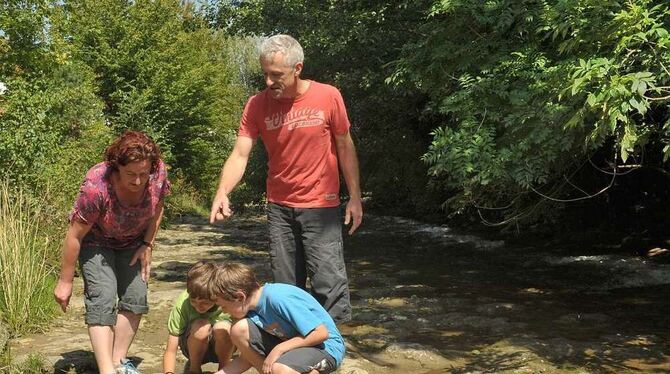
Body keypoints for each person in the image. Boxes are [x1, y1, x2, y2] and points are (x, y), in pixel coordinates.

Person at [209, 34, 362, 324]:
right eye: (265, 74)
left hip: (322, 205)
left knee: (328, 283)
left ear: (298, 68)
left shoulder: (328, 96)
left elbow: (344, 145)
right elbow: (241, 153)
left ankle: (331, 347)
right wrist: (222, 191)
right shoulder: (256, 105)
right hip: (279, 207)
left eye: (276, 74)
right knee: (285, 285)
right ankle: (296, 344)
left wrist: (354, 197)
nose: (269, 81)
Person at [53, 130, 171, 374]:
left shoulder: (158, 174)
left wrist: (147, 244)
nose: (138, 181)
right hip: (96, 242)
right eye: (131, 174)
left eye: (143, 174)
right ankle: (106, 369)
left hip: (133, 242)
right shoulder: (97, 187)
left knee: (136, 297)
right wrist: (65, 281)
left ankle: (118, 362)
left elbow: (158, 207)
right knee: (103, 298)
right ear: (117, 167)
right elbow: (74, 236)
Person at [211, 262, 345, 374]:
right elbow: (246, 359)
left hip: (325, 348)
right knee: (238, 329)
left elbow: (321, 333)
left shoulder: (278, 298)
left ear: (240, 297)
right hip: (293, 346)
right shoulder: (250, 310)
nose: (225, 311)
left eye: (224, 306)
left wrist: (279, 349)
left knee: (280, 368)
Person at [163, 261, 233, 374]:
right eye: (193, 301)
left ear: (216, 295)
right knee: (201, 325)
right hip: (192, 345)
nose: (198, 307)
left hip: (225, 345)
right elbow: (171, 348)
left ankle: (224, 368)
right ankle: (194, 369)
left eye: (204, 303)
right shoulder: (183, 303)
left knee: (223, 327)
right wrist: (168, 372)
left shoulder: (226, 300)